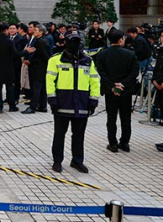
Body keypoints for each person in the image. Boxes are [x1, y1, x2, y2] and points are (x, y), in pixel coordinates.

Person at [47, 30, 100, 173]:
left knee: (79, 135)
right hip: (62, 103)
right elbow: (50, 81)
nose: (75, 44)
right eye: (72, 41)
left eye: (77, 41)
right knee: (59, 134)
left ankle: (77, 161)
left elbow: (95, 81)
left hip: (81, 104)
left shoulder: (88, 61)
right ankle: (57, 161)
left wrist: (93, 100)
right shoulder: (55, 60)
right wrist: (52, 99)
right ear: (65, 42)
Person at [95, 30, 139, 153]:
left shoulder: (102, 55)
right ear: (120, 40)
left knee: (111, 117)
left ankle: (113, 143)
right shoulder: (130, 54)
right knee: (126, 118)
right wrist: (123, 84)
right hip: (126, 90)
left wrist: (112, 86)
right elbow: (134, 72)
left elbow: (101, 73)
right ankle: (125, 143)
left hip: (110, 91)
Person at [22, 24, 51, 114]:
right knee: (41, 88)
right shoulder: (40, 40)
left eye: (36, 30)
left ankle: (33, 107)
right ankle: (43, 106)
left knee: (36, 88)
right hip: (40, 67)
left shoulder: (41, 42)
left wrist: (31, 61)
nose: (34, 32)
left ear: (41, 32)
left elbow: (42, 55)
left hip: (38, 68)